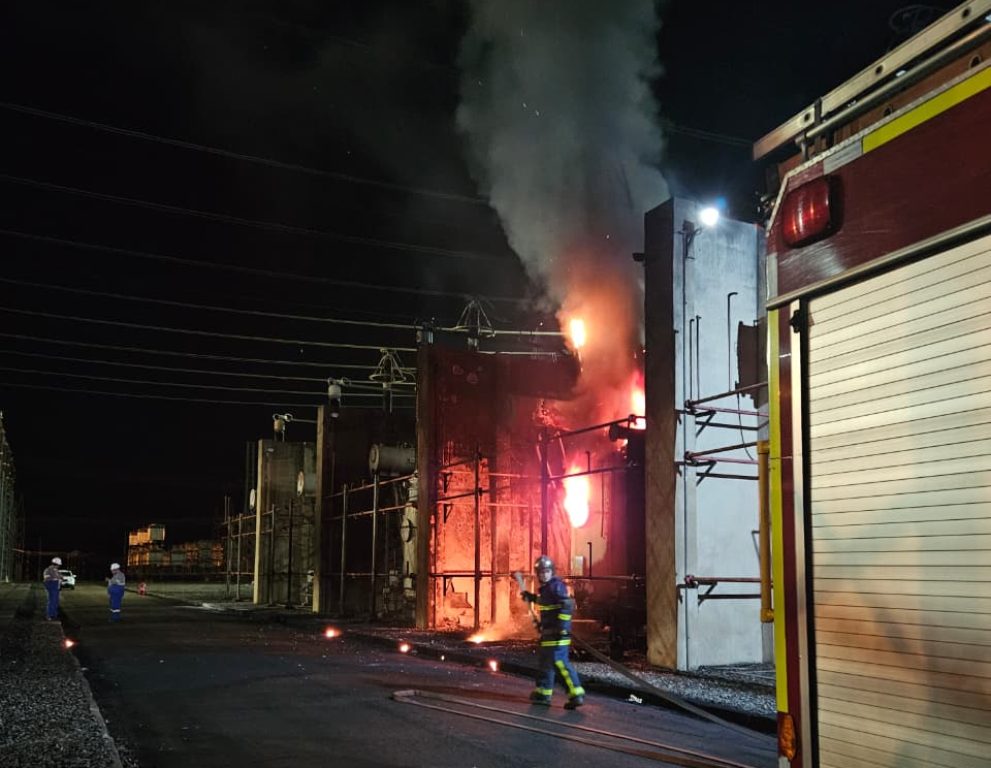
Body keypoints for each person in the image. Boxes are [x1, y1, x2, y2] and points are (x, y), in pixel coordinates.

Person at [519, 555, 585, 709]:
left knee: (559, 663)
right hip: (549, 634)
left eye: (547, 571)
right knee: (545, 664)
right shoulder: (547, 589)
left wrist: (562, 627)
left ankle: (576, 693)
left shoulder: (556, 586)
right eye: (541, 572)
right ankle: (543, 692)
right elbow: (547, 603)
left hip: (558, 635)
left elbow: (566, 605)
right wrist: (532, 598)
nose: (544, 575)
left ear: (552, 572)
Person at [43, 557, 63, 621]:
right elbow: (58, 576)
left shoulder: (51, 569)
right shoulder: (52, 569)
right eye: (59, 565)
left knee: (55, 600)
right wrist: (60, 577)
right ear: (57, 564)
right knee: (53, 600)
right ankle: (49, 615)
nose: (59, 566)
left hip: (53, 584)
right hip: (52, 584)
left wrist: (60, 577)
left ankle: (54, 614)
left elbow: (60, 576)